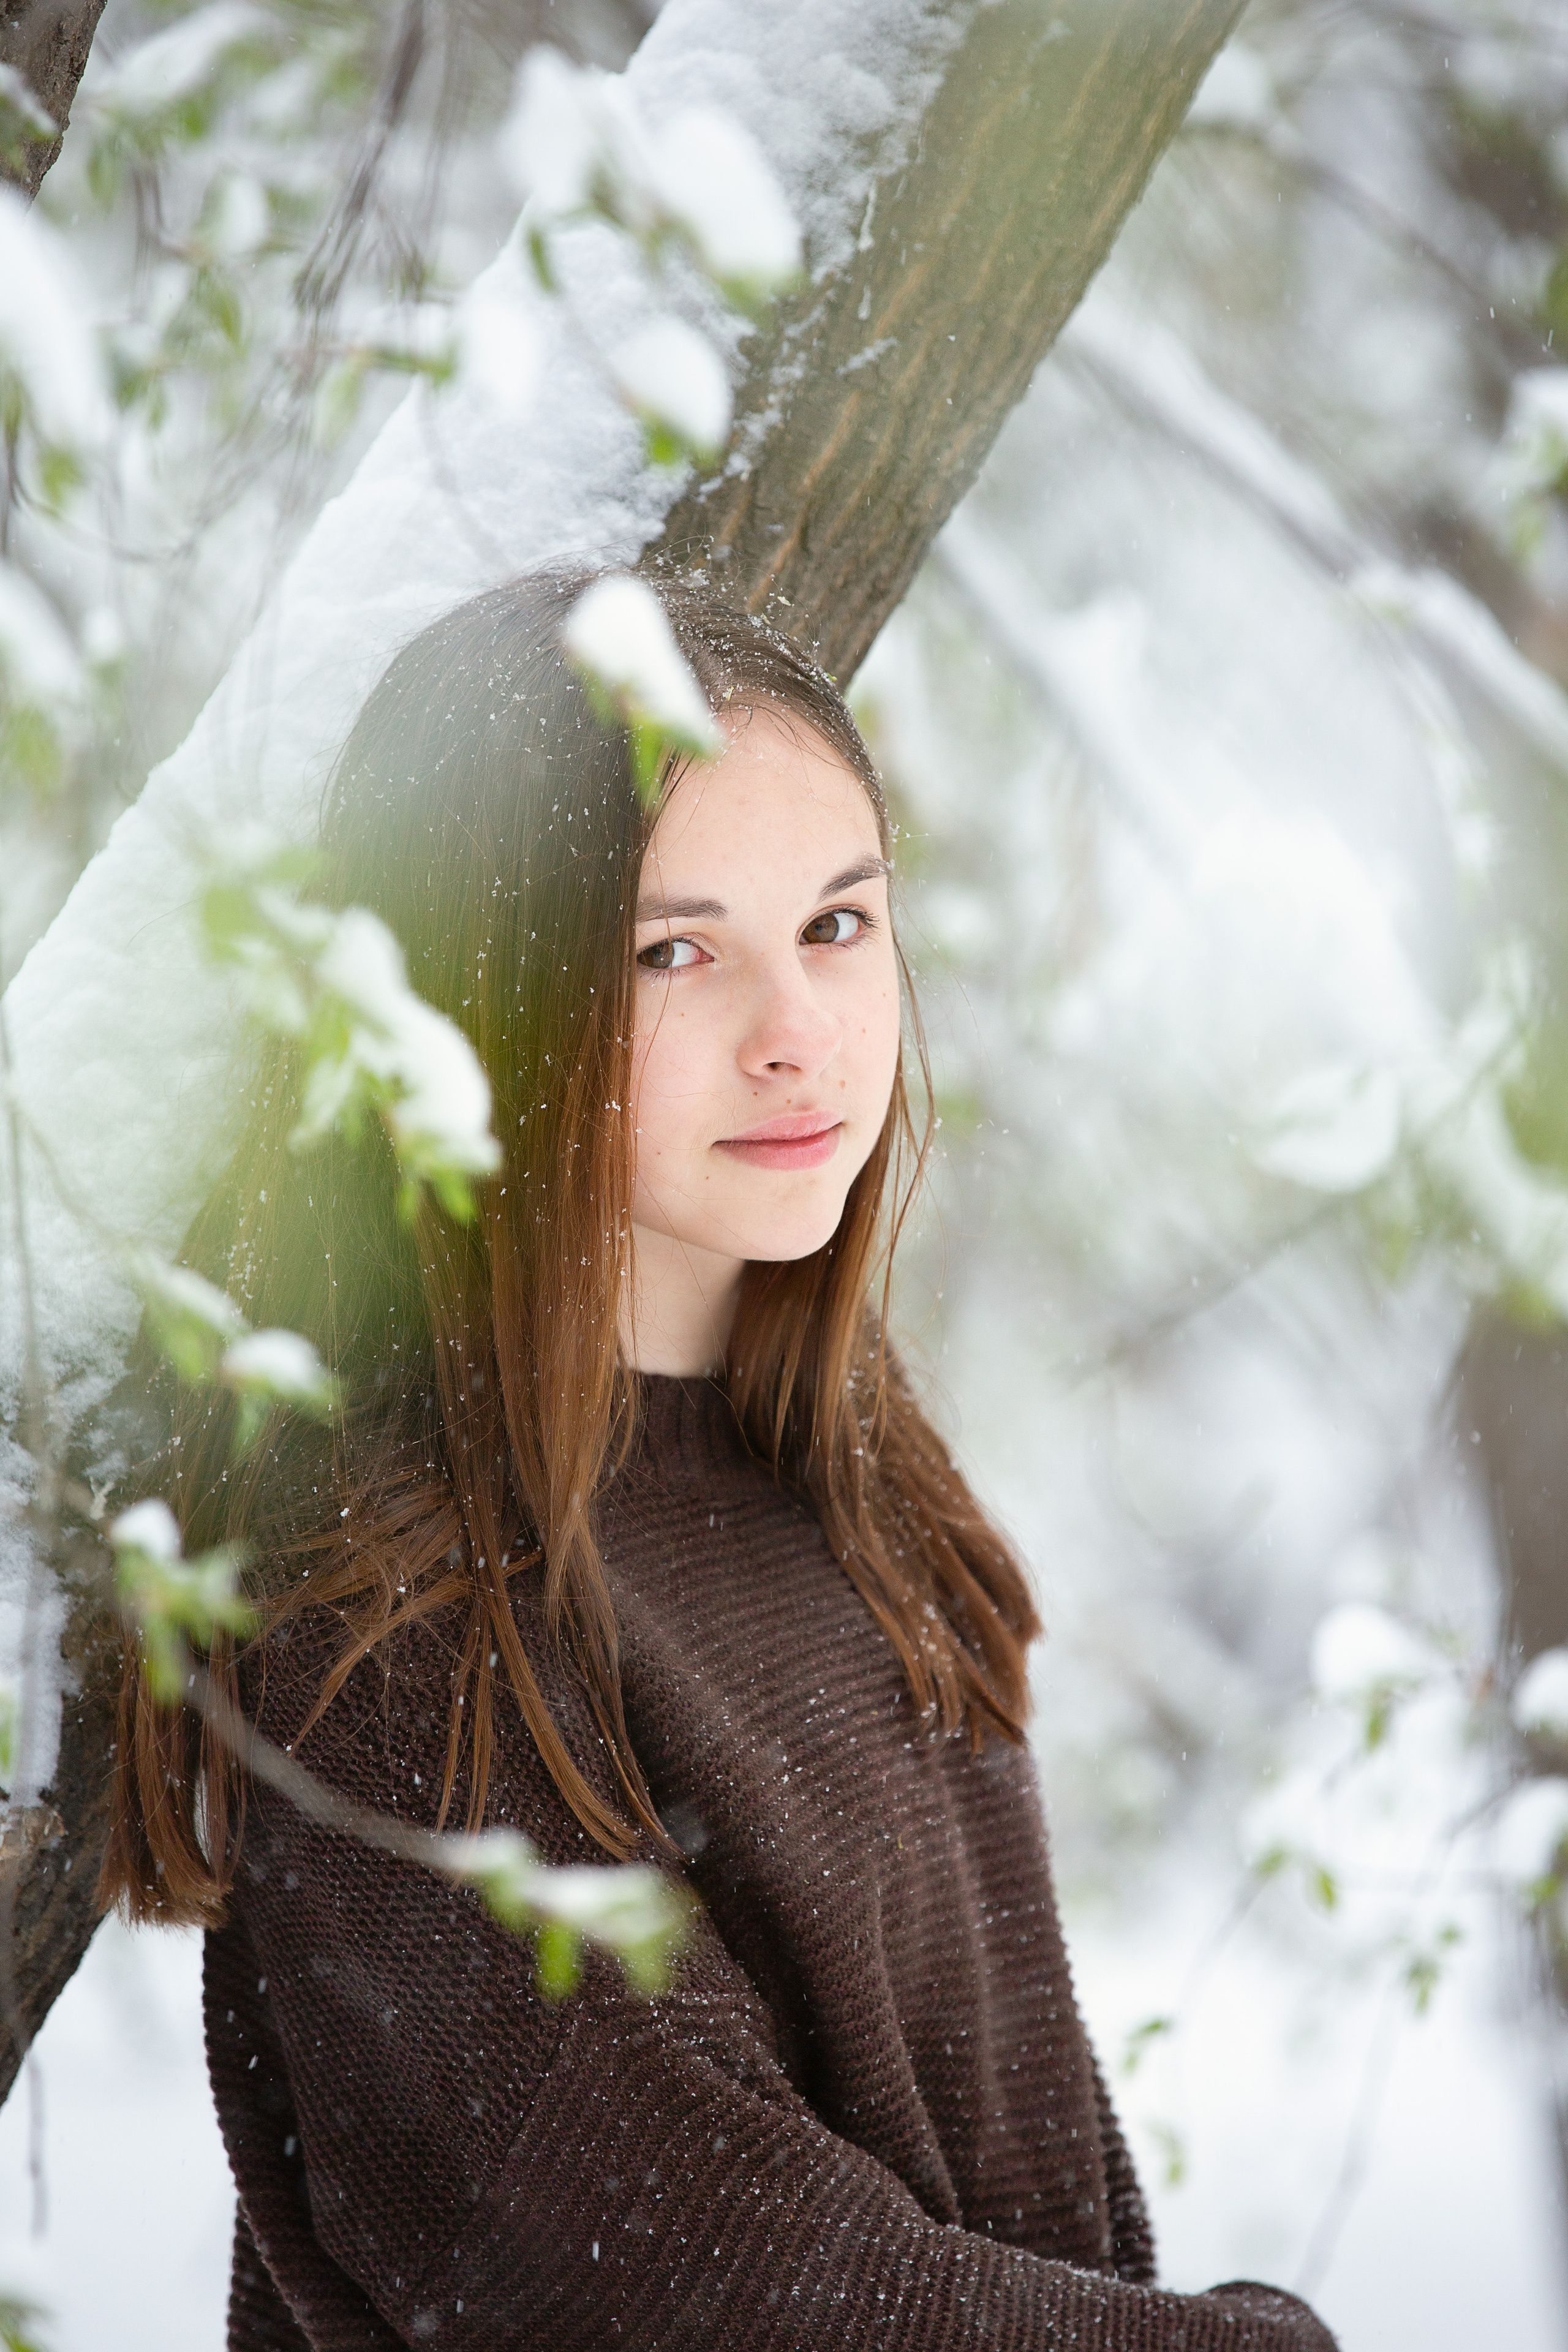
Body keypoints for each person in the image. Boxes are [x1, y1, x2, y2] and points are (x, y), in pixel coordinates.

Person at [102, 570, 1336, 2351]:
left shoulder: (846, 1468)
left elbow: (1015, 2147)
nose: (795, 1026)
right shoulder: (393, 1609)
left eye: (837, 926)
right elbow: (702, 2288)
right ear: (487, 995)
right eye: (674, 950)